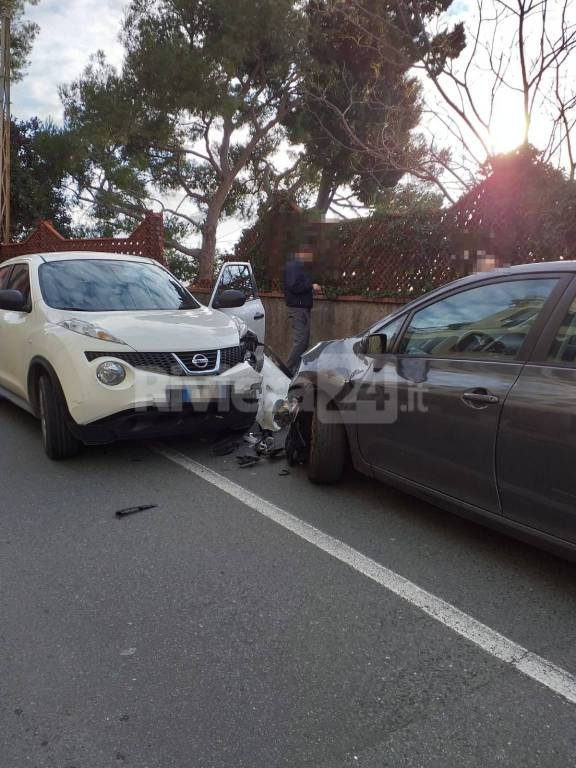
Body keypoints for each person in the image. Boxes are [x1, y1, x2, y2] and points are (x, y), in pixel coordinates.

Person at [283, 245, 321, 375]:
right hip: (298, 309)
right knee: (300, 342)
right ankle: (287, 370)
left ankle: (296, 370)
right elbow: (294, 286)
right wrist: (310, 285)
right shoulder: (294, 266)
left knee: (304, 342)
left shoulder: (298, 267)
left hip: (301, 308)